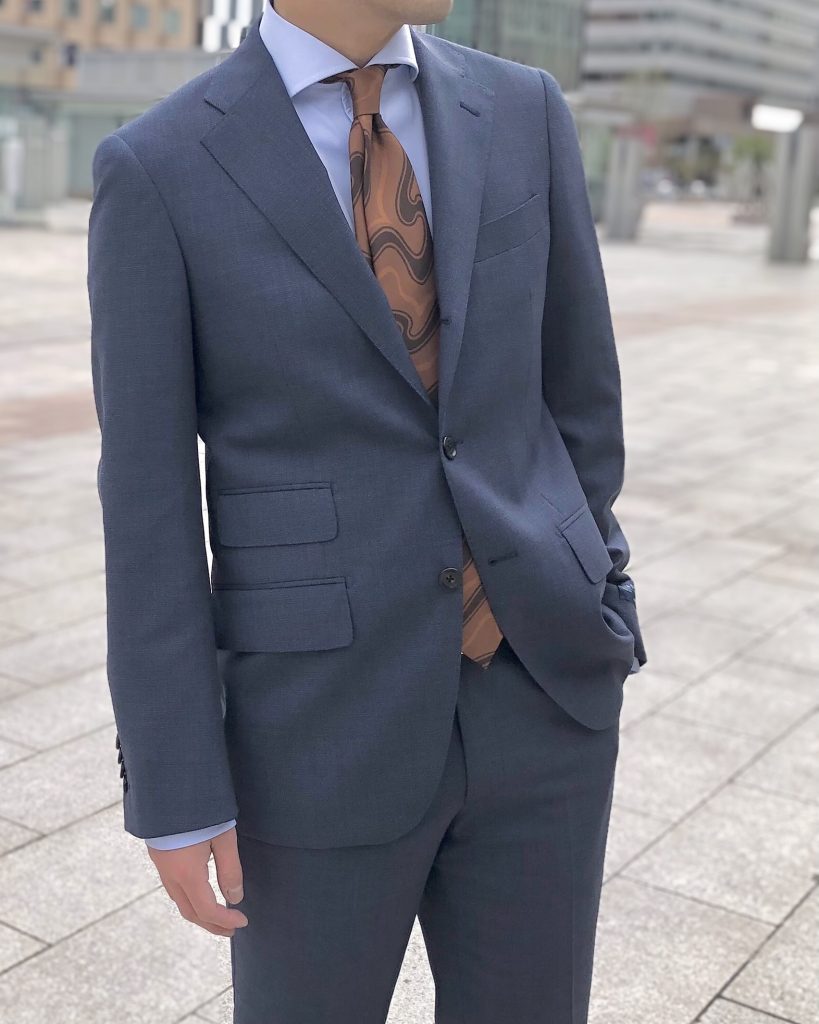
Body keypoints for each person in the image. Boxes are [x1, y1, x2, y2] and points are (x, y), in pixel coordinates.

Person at [87, 0, 646, 1020]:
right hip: (314, 734)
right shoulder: (159, 166)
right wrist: (175, 784)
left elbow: (581, 396)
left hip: (542, 700)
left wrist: (597, 594)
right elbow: (147, 509)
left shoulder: (522, 109)